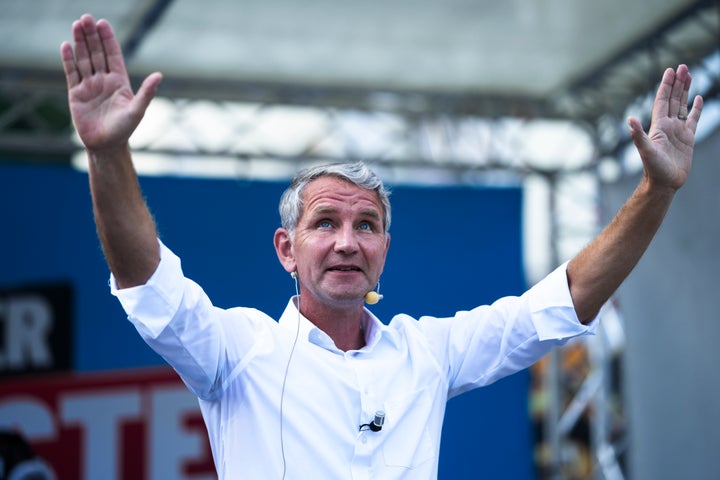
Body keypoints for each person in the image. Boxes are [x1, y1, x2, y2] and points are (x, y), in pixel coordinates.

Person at [60, 13, 703, 479]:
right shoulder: (239, 350)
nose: (346, 242)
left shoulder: (425, 354)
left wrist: (656, 190)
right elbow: (147, 281)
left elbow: (563, 303)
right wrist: (107, 151)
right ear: (287, 249)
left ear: (385, 250)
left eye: (366, 226)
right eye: (325, 224)